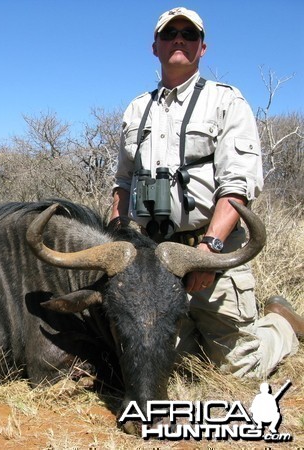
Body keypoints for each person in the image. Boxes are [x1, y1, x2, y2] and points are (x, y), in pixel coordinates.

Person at [110, 7, 302, 378]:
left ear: (202, 48)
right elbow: (123, 182)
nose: (178, 39)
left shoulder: (226, 101)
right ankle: (196, 330)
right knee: (156, 362)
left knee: (237, 368)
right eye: (169, 34)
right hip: (155, 255)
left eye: (189, 34)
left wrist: (208, 251)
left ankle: (281, 324)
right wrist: (118, 240)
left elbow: (238, 186)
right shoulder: (136, 109)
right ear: (155, 47)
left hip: (212, 250)